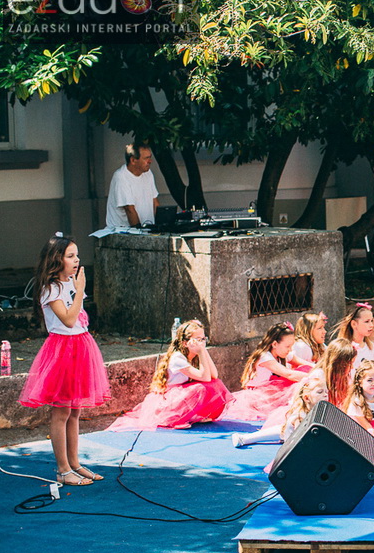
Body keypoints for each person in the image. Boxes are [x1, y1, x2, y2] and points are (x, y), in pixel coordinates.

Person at [19, 234, 110, 486]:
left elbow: (79, 320)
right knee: (61, 411)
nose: (76, 260)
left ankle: (74, 463)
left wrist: (77, 287)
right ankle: (62, 469)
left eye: (77, 255)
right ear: (56, 260)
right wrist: (80, 289)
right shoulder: (51, 289)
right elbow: (68, 319)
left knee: (75, 411)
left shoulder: (70, 283)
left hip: (81, 348)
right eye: (70, 256)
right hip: (62, 351)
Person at [109, 320, 231, 431]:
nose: (201, 343)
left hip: (183, 395)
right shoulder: (177, 358)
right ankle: (178, 418)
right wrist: (200, 351)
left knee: (216, 384)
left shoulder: (197, 354)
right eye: (197, 339)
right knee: (200, 388)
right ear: (185, 343)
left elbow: (214, 376)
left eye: (203, 339)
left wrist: (203, 351)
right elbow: (205, 377)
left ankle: (196, 415)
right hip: (170, 401)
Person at [226, 322, 313, 420]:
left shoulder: (282, 354)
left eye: (291, 346)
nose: (290, 349)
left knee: (305, 369)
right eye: (287, 346)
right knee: (299, 384)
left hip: (271, 394)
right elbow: (289, 374)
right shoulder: (265, 357)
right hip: (260, 398)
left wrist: (321, 370)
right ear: (275, 344)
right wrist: (314, 377)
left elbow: (308, 365)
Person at [106, 142, 159, 228]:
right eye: (146, 158)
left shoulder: (148, 173)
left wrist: (161, 225)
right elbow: (129, 209)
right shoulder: (121, 177)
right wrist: (139, 232)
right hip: (124, 232)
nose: (150, 161)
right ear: (133, 160)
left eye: (150, 157)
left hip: (146, 229)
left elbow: (155, 202)